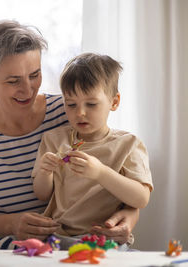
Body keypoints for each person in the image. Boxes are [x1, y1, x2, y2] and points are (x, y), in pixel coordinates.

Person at [0, 20, 140, 249]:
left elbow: (115, 172)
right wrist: (10, 224)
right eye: (13, 81)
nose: (28, 89)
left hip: (77, 247)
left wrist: (129, 216)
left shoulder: (70, 110)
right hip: (9, 252)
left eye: (34, 74)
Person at [32, 53, 153, 249]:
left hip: (106, 240)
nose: (80, 112)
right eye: (71, 104)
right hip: (58, 239)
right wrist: (45, 171)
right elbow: (42, 194)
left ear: (114, 102)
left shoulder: (128, 144)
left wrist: (101, 172)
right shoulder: (54, 139)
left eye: (91, 104)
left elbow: (141, 198)